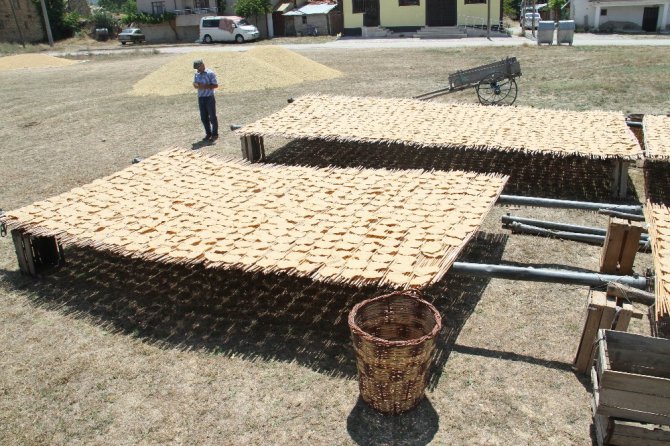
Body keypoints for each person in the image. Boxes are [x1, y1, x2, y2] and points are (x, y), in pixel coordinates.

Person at [192, 59, 219, 141]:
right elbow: (196, 85)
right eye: (196, 69)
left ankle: (215, 134)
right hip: (201, 98)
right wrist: (196, 85)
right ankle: (208, 133)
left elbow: (215, 85)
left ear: (202, 65)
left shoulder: (210, 73)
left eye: (198, 68)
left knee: (212, 117)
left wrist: (204, 86)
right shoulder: (197, 74)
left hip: (209, 97)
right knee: (203, 117)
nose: (197, 70)